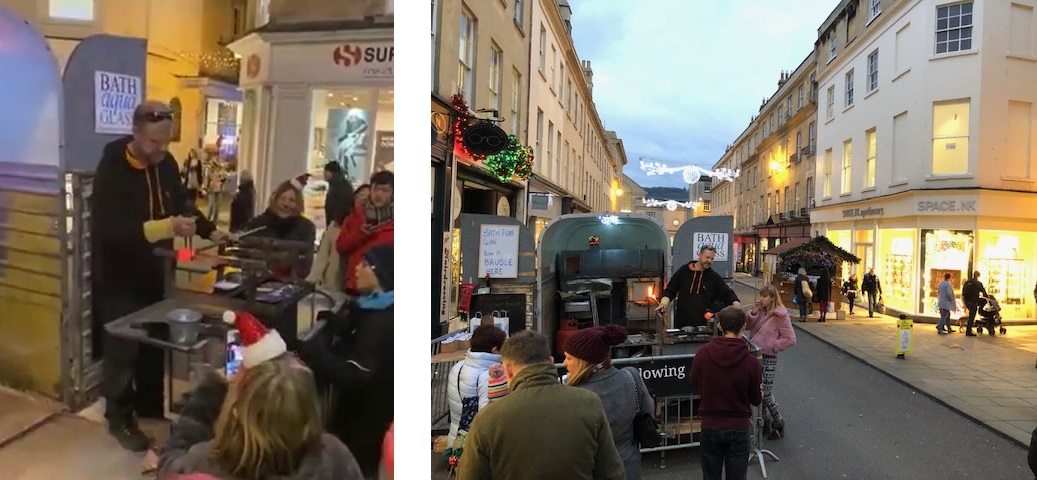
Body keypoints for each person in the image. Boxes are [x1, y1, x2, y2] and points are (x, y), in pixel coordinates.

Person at [91, 101, 231, 452]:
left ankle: (151, 409)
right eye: (154, 142)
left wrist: (211, 232)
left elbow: (183, 202)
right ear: (135, 132)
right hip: (120, 275)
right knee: (122, 350)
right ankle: (119, 417)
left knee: (154, 345)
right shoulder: (113, 166)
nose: (161, 150)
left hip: (157, 272)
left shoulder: (166, 163)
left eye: (166, 142)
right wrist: (165, 227)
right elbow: (111, 230)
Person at [157, 356, 364, 479]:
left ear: (236, 411)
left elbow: (168, 468)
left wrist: (208, 394)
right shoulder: (334, 455)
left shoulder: (208, 462)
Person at [456, 331, 625, 480]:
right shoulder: (589, 402)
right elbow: (611, 472)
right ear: (551, 362)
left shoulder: (487, 419)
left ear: (508, 370)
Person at [299, 244, 394, 477]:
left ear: (381, 274)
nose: (357, 269)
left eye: (365, 265)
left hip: (365, 422)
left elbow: (357, 372)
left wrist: (314, 352)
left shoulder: (383, 320)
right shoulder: (372, 306)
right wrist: (339, 326)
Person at [563, 325, 653, 480]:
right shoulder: (631, 376)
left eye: (569, 358)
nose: (564, 363)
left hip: (591, 470)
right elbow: (649, 410)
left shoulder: (573, 394)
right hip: (628, 466)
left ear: (583, 362)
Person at [689, 306, 763, 480]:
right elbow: (756, 399)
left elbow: (693, 382)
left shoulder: (703, 354)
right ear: (743, 327)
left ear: (720, 326)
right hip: (738, 427)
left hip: (710, 425)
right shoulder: (751, 362)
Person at [744, 285, 796, 440]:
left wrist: (773, 346)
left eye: (764, 296)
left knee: (766, 393)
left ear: (772, 298)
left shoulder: (781, 315)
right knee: (757, 392)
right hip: (755, 355)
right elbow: (747, 326)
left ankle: (778, 423)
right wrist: (753, 313)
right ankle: (765, 422)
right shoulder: (760, 311)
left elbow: (790, 339)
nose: (761, 299)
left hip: (769, 357)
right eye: (760, 295)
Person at [242, 175, 317, 279]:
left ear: (298, 203)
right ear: (276, 199)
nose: (286, 204)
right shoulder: (257, 224)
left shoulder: (306, 228)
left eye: (291, 200)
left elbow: (306, 263)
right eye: (283, 198)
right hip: (257, 280)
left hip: (290, 282)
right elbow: (245, 254)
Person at [446, 324, 508, 448]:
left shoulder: (458, 367)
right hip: (475, 445)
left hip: (456, 439)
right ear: (495, 350)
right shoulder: (489, 375)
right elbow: (487, 416)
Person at [656, 245, 741, 329]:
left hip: (704, 326)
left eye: (712, 259)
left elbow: (727, 292)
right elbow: (670, 290)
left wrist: (735, 301)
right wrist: (663, 303)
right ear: (700, 255)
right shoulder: (684, 271)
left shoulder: (713, 276)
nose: (709, 261)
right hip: (682, 324)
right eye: (707, 257)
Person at [337, 171, 394, 295]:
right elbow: (341, 246)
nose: (378, 194)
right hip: (356, 286)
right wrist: (360, 234)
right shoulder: (355, 217)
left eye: (385, 190)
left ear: (393, 194)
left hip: (385, 289)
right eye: (376, 189)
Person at [323, 161, 355, 230]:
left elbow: (342, 205)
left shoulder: (339, 185)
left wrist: (335, 221)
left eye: (326, 171)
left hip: (337, 224)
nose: (324, 174)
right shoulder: (337, 184)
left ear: (332, 172)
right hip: (336, 223)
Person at [961, 271, 988, 337]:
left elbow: (963, 291)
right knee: (972, 316)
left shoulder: (967, 282)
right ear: (978, 276)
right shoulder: (978, 283)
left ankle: (969, 329)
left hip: (967, 301)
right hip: (973, 301)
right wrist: (987, 297)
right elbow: (984, 292)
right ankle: (968, 330)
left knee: (971, 315)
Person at [203, 154, 226, 222]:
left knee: (217, 204)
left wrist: (222, 180)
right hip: (211, 188)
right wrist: (205, 187)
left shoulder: (221, 168)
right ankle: (208, 218)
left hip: (219, 187)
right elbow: (206, 178)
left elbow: (224, 177)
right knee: (212, 204)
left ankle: (215, 218)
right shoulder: (209, 168)